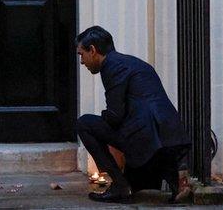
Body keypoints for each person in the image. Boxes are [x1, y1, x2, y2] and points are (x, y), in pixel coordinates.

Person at [75, 25, 193, 203]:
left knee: (84, 123)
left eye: (81, 54)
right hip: (168, 134)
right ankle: (176, 177)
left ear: (93, 50)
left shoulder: (111, 67)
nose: (82, 62)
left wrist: (105, 118)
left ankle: (119, 186)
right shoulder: (131, 62)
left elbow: (115, 116)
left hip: (149, 135)